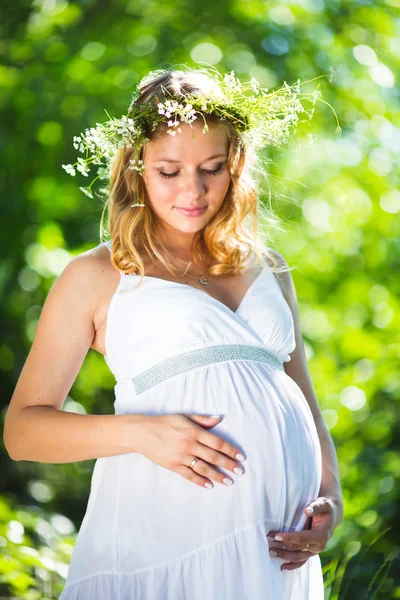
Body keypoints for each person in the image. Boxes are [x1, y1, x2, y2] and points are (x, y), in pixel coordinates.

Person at [4, 66, 344, 599]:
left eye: (212, 167)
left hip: (274, 556)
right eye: (169, 171)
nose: (194, 190)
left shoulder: (269, 266)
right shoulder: (98, 274)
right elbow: (22, 433)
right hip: (163, 545)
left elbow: (302, 396)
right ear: (137, 167)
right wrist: (141, 432)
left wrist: (330, 494)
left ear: (236, 166)